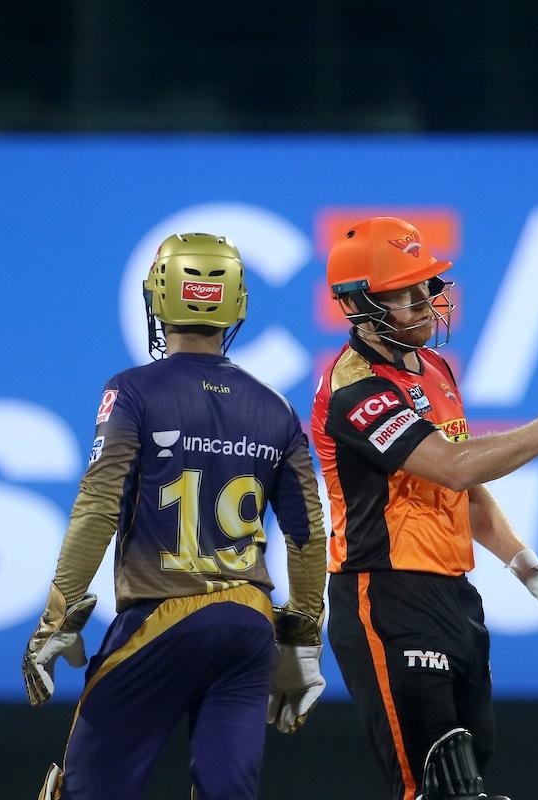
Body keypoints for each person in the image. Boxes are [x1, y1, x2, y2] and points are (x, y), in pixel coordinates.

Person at [312, 217, 538, 800]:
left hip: (454, 597)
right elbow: (453, 465)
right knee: (436, 784)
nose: (424, 302)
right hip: (384, 598)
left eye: (426, 286)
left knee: (471, 775)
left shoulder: (434, 370)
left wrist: (524, 563)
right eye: (405, 292)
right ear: (358, 304)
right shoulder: (353, 390)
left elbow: (466, 487)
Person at [22, 232, 328, 800]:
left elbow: (98, 506)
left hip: (158, 620)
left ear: (160, 298)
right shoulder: (277, 409)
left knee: (86, 791)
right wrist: (303, 639)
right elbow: (309, 535)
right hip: (248, 624)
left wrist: (58, 616)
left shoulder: (132, 391)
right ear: (235, 304)